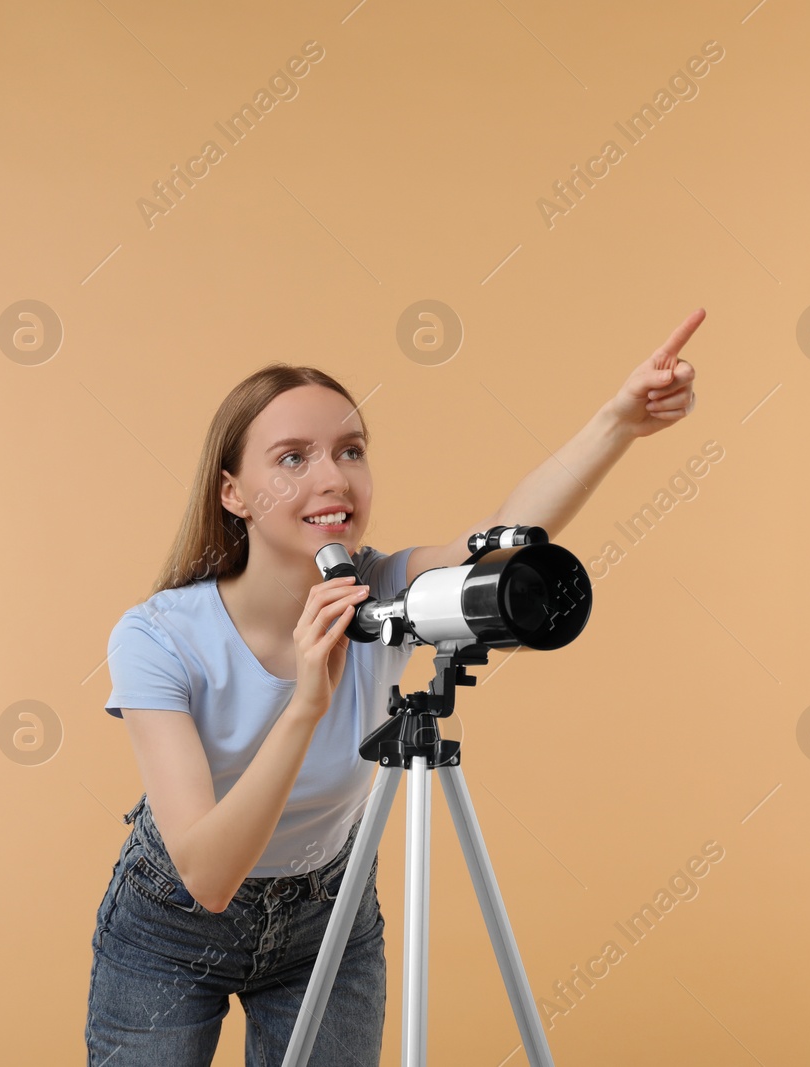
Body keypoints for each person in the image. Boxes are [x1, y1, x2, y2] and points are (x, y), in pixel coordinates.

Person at [86, 311, 702, 1066]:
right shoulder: (156, 637)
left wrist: (619, 422)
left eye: (351, 450)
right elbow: (209, 876)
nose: (333, 477)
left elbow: (502, 536)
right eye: (291, 458)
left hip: (327, 918)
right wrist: (306, 704)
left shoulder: (383, 590)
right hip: (172, 927)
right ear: (233, 492)